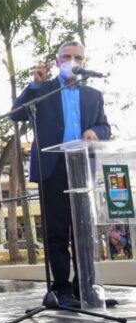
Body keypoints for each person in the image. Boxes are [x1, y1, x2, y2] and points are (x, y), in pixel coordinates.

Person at [11, 41, 110, 308]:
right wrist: (34, 85)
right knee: (56, 232)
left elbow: (104, 127)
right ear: (57, 62)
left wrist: (95, 132)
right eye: (66, 57)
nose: (72, 61)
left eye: (78, 57)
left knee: (83, 233)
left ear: (84, 62)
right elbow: (16, 114)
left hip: (81, 169)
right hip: (52, 168)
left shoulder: (93, 96)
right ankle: (62, 290)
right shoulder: (43, 90)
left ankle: (85, 288)